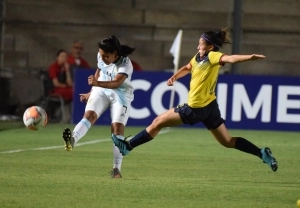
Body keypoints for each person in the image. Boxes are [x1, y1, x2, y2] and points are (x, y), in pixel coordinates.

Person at [111, 28, 278, 172]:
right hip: (210, 108)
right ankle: (261, 153)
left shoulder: (213, 56)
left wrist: (250, 57)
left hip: (195, 108)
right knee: (227, 141)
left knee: (157, 122)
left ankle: (128, 146)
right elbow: (188, 67)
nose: (198, 46)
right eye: (198, 43)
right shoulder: (198, 56)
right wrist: (175, 77)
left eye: (201, 44)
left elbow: (231, 58)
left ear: (211, 46)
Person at [62, 35, 135, 178]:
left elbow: (116, 83)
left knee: (117, 128)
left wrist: (97, 84)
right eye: (100, 55)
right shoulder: (101, 56)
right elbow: (100, 69)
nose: (102, 58)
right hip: (101, 89)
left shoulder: (125, 64)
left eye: (106, 56)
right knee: (89, 115)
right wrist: (91, 92)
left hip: (120, 94)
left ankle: (116, 169)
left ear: (115, 54)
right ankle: (72, 140)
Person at [48, 49, 73, 122]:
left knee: (75, 92)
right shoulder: (53, 67)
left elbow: (70, 84)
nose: (64, 58)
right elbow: (56, 84)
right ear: (57, 57)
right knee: (72, 92)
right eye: (62, 56)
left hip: (65, 89)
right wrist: (66, 86)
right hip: (54, 90)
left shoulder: (66, 68)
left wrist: (67, 71)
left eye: (66, 57)